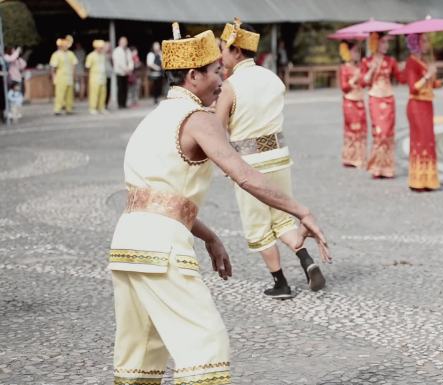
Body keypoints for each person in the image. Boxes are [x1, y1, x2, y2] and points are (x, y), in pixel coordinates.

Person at [109, 26, 330, 385]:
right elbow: (244, 174)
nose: (222, 80)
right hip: (163, 250)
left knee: (140, 359)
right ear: (193, 76)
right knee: (205, 351)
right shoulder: (197, 119)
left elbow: (156, 197)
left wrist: (209, 235)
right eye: (215, 72)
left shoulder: (152, 120)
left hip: (126, 247)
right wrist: (300, 210)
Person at [215, 19, 331, 299]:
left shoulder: (230, 86)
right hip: (279, 156)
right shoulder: (272, 78)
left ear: (237, 51)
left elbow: (217, 128)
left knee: (258, 226)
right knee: (280, 218)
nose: (220, 56)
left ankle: (281, 283)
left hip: (249, 162)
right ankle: (306, 261)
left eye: (223, 49)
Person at [404, 33, 443, 191]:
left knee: (428, 140)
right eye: (424, 40)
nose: (427, 43)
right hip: (417, 105)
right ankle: (418, 180)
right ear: (416, 43)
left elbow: (431, 85)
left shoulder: (423, 62)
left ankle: (427, 178)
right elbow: (413, 87)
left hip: (427, 106)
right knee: (420, 140)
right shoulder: (411, 63)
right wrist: (427, 76)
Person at [361, 32, 403, 178]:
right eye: (383, 42)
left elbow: (401, 78)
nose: (386, 45)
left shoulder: (391, 61)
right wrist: (372, 69)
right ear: (375, 43)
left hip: (389, 98)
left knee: (388, 133)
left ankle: (387, 167)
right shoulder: (367, 61)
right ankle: (376, 166)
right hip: (375, 98)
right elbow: (363, 82)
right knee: (379, 133)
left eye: (387, 42)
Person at [338, 40, 367, 168]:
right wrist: (353, 80)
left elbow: (364, 84)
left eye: (358, 51)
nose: (357, 54)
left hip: (360, 100)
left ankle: (360, 156)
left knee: (362, 128)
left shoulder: (359, 68)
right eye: (355, 51)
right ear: (347, 52)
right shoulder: (344, 69)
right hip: (349, 101)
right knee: (352, 128)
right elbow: (343, 87)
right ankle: (350, 157)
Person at [49, 35, 78, 115]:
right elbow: (53, 67)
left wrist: (74, 75)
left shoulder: (70, 54)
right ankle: (57, 109)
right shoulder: (56, 54)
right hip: (60, 77)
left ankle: (69, 109)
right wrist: (53, 76)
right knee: (59, 94)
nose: (66, 47)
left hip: (69, 76)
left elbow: (74, 64)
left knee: (70, 94)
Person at [85, 39, 107, 114]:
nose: (101, 49)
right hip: (94, 78)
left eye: (102, 48)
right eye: (100, 48)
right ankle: (93, 108)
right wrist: (88, 77)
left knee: (103, 93)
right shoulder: (91, 56)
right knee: (94, 94)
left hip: (102, 77)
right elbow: (87, 67)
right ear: (96, 47)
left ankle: (102, 107)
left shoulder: (103, 55)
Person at [113, 36, 133, 109]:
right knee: (120, 89)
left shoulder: (128, 50)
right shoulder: (116, 51)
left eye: (125, 41)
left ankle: (124, 103)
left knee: (125, 88)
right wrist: (125, 69)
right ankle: (120, 104)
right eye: (123, 41)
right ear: (120, 42)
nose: (124, 43)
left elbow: (130, 60)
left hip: (127, 72)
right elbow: (118, 62)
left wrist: (130, 68)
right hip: (120, 72)